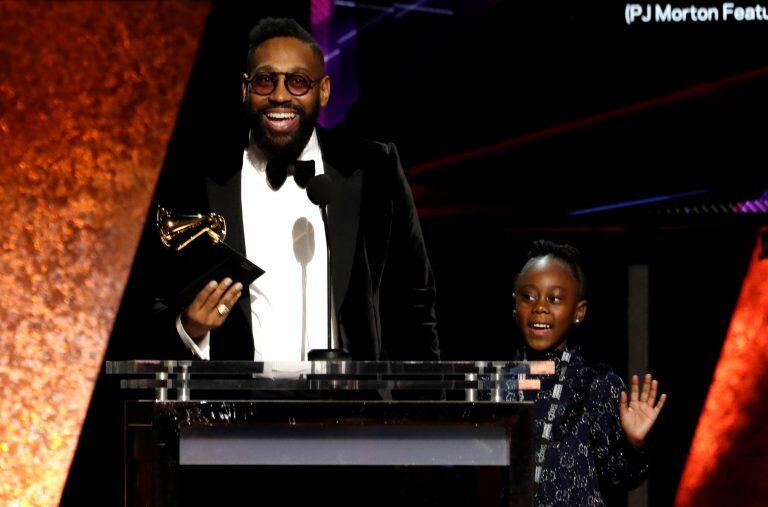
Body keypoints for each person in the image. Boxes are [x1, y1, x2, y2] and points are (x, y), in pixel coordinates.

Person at [146, 17, 439, 362]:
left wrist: (420, 407)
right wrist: (189, 328)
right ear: (245, 89)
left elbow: (415, 301)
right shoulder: (197, 176)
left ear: (324, 90)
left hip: (352, 408)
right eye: (265, 81)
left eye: (298, 82)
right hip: (238, 409)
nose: (281, 95)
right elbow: (151, 300)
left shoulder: (375, 166)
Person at [510, 240, 666, 507]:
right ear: (515, 307)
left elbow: (620, 477)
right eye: (529, 296)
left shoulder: (596, 386)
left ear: (578, 311)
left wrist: (633, 443)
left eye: (555, 298)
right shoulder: (497, 382)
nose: (540, 307)